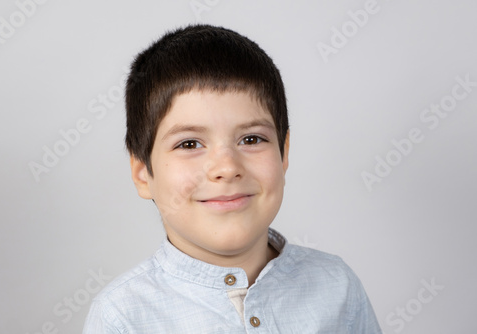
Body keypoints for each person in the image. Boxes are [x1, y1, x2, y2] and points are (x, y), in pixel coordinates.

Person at [83, 24, 382, 333]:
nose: (226, 167)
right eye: (189, 144)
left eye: (251, 139)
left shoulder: (337, 285)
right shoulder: (122, 316)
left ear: (284, 152)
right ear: (143, 173)